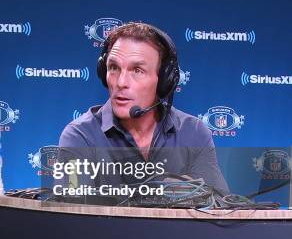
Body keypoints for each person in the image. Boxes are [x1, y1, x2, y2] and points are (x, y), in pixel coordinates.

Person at [58, 22, 229, 193]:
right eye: (114, 68)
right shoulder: (80, 136)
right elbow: (77, 211)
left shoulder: (193, 133)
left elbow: (218, 206)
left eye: (137, 70)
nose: (121, 82)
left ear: (164, 80)